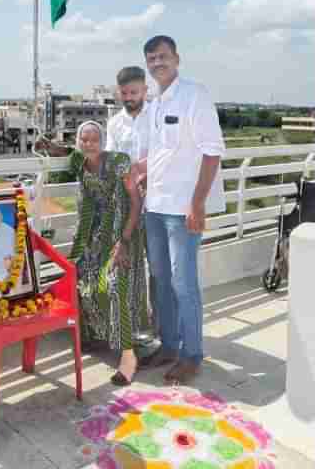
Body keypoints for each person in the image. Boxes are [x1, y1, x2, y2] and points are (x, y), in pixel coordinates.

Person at [131, 35, 226, 385]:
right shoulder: (154, 103)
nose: (158, 62)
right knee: (161, 279)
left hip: (183, 208)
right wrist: (139, 168)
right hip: (154, 206)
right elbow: (160, 154)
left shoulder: (194, 96)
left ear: (177, 58)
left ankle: (192, 354)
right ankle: (169, 345)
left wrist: (198, 203)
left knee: (184, 282)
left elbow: (212, 151)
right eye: (152, 58)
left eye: (163, 56)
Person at [66, 121, 150, 385]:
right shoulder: (78, 163)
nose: (89, 143)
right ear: (78, 142)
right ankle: (96, 335)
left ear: (103, 142)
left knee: (116, 283)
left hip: (126, 230)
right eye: (84, 139)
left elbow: (136, 201)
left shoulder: (118, 162)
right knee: (83, 274)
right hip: (98, 232)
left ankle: (128, 356)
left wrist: (123, 241)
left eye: (94, 139)